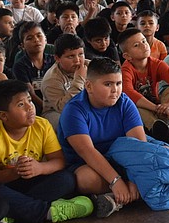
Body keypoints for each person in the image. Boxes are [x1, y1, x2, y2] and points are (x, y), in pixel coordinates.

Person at [0, 80, 94, 223]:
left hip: (33, 181)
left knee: (66, 179)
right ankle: (48, 212)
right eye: (20, 105)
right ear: (4, 115)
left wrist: (40, 168)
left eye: (29, 100)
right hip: (6, 184)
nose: (30, 107)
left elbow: (59, 161)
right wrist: (13, 173)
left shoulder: (42, 125)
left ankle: (12, 210)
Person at [56, 57, 142, 214]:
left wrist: (134, 180)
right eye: (108, 84)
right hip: (89, 164)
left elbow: (138, 145)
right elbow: (87, 152)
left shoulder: (124, 102)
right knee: (86, 179)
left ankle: (116, 198)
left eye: (118, 83)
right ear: (89, 86)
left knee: (163, 153)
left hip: (122, 159)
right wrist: (116, 181)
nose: (115, 90)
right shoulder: (74, 110)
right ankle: (123, 194)